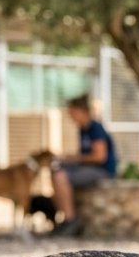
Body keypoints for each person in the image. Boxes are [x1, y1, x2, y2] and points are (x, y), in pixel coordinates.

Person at [49, 94, 116, 237]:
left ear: (82, 111)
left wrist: (73, 158)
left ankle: (70, 220)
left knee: (61, 175)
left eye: (72, 112)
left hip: (103, 171)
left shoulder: (95, 128)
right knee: (56, 171)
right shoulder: (83, 129)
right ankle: (63, 218)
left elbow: (99, 157)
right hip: (90, 168)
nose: (70, 115)